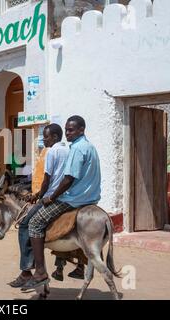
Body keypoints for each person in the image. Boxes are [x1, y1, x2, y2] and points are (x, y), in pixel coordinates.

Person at [22, 116, 101, 290]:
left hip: (75, 198)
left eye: (71, 130)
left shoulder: (77, 149)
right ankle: (75, 265)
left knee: (34, 223)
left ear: (81, 130)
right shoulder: (89, 147)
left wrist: (51, 197)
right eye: (66, 130)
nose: (68, 133)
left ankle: (40, 271)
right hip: (92, 197)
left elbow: (68, 179)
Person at [8, 124, 74, 288]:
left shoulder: (51, 151)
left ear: (55, 137)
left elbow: (47, 179)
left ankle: (29, 270)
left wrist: (41, 195)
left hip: (51, 196)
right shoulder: (69, 150)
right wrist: (37, 195)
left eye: (46, 137)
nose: (43, 139)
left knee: (25, 225)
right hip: (68, 196)